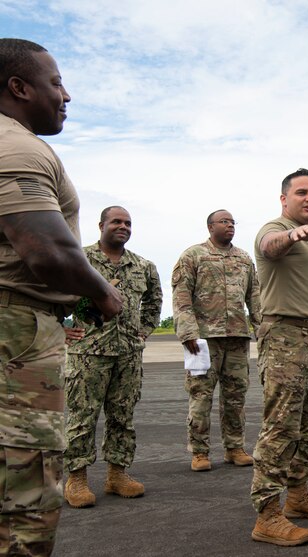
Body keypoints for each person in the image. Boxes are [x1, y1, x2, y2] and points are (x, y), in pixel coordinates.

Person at [0, 38, 123, 555]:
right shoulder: (17, 147)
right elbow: (47, 251)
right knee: (26, 497)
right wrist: (103, 293)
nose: (65, 95)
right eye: (55, 83)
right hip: (16, 334)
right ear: (19, 87)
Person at [250, 168, 308, 547]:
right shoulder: (275, 229)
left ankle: (298, 496)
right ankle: (268, 515)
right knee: (281, 426)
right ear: (284, 198)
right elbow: (269, 246)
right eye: (302, 192)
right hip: (286, 337)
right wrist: (291, 235)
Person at [62, 206, 162, 508]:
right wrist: (60, 327)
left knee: (122, 416)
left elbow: (154, 301)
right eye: (116, 222)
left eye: (128, 223)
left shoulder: (143, 266)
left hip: (128, 354)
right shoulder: (80, 260)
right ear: (101, 225)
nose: (123, 227)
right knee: (82, 417)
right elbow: (56, 295)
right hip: (88, 353)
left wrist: (143, 331)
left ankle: (117, 474)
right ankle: (77, 478)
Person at [172, 210, 262, 472]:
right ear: (210, 227)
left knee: (236, 396)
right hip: (202, 340)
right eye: (224, 221)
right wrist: (188, 332)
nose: (230, 225)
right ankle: (199, 452)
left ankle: (234, 447)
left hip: (237, 337)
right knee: (201, 395)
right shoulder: (193, 256)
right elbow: (181, 296)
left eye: (233, 222)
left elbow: (255, 296)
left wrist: (261, 329)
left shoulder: (244, 258)